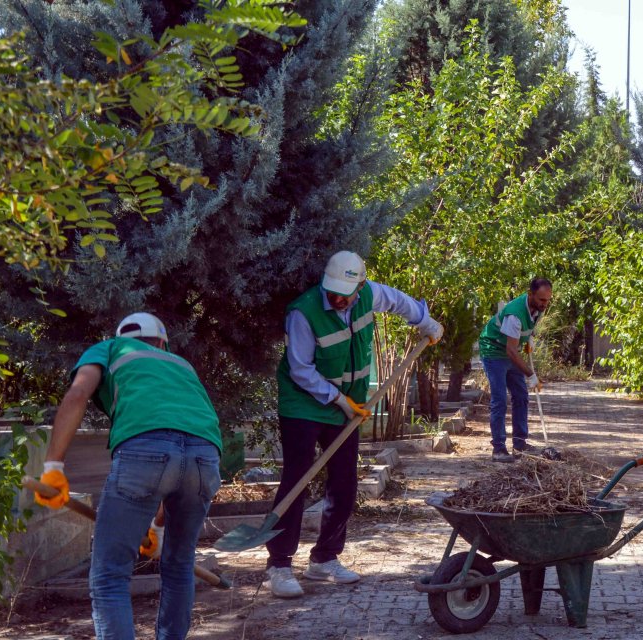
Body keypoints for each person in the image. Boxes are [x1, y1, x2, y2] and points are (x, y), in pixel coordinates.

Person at [266, 250, 443, 598]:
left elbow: (399, 302)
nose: (337, 298)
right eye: (332, 291)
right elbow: (301, 369)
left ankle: (324, 559)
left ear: (360, 287)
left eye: (345, 293)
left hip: (347, 403)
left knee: (345, 480)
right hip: (304, 401)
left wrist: (426, 322)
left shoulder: (369, 295)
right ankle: (279, 565)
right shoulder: (304, 313)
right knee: (297, 478)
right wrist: (339, 401)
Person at [35, 312, 223, 640]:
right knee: (179, 567)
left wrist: (53, 468)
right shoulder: (181, 364)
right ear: (162, 343)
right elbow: (182, 453)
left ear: (121, 337)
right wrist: (156, 527)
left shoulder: (108, 348)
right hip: (205, 456)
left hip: (144, 450)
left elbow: (78, 395)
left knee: (109, 575)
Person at [476, 278, 552, 463]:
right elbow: (511, 351)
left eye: (548, 300)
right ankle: (499, 450)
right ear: (530, 294)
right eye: (542, 300)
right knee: (500, 399)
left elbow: (523, 333)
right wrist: (531, 375)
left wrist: (528, 340)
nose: (545, 304)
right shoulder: (514, 314)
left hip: (509, 350)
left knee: (521, 395)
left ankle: (519, 444)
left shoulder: (538, 308)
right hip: (494, 350)